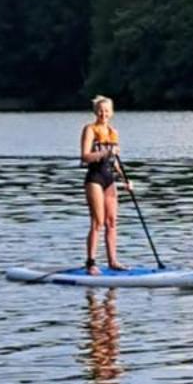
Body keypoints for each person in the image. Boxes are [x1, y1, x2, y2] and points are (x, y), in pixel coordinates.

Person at [80, 94, 130, 273]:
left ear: (112, 113)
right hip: (94, 179)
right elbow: (85, 157)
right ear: (96, 112)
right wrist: (106, 153)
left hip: (109, 179)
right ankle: (91, 263)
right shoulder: (90, 129)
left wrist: (126, 180)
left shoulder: (113, 132)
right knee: (98, 222)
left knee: (112, 222)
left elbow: (115, 162)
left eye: (107, 111)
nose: (104, 114)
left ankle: (113, 261)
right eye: (100, 110)